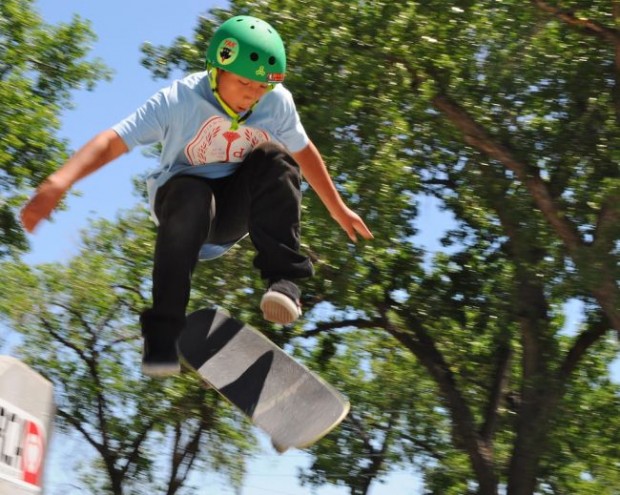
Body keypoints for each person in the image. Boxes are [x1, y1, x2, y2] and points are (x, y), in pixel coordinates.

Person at [20, 15, 373, 377]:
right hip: (181, 207)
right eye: (243, 83)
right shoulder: (179, 99)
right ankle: (163, 332)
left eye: (262, 87)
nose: (252, 94)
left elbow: (304, 152)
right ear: (216, 69)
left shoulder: (276, 103)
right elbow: (113, 141)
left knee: (275, 157)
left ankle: (284, 283)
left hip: (230, 215)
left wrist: (337, 208)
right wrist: (58, 182)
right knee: (194, 193)